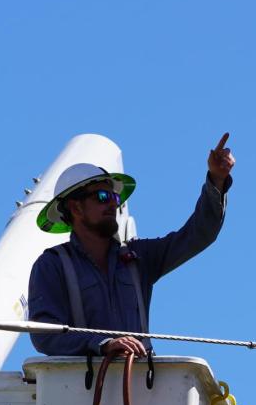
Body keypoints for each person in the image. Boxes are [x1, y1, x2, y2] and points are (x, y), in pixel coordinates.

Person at [27, 133, 235, 357]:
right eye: (103, 196)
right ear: (75, 208)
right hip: (84, 388)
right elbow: (45, 335)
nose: (113, 205)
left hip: (139, 386)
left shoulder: (138, 258)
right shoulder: (52, 266)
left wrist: (216, 180)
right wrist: (103, 344)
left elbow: (199, 234)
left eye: (115, 198)